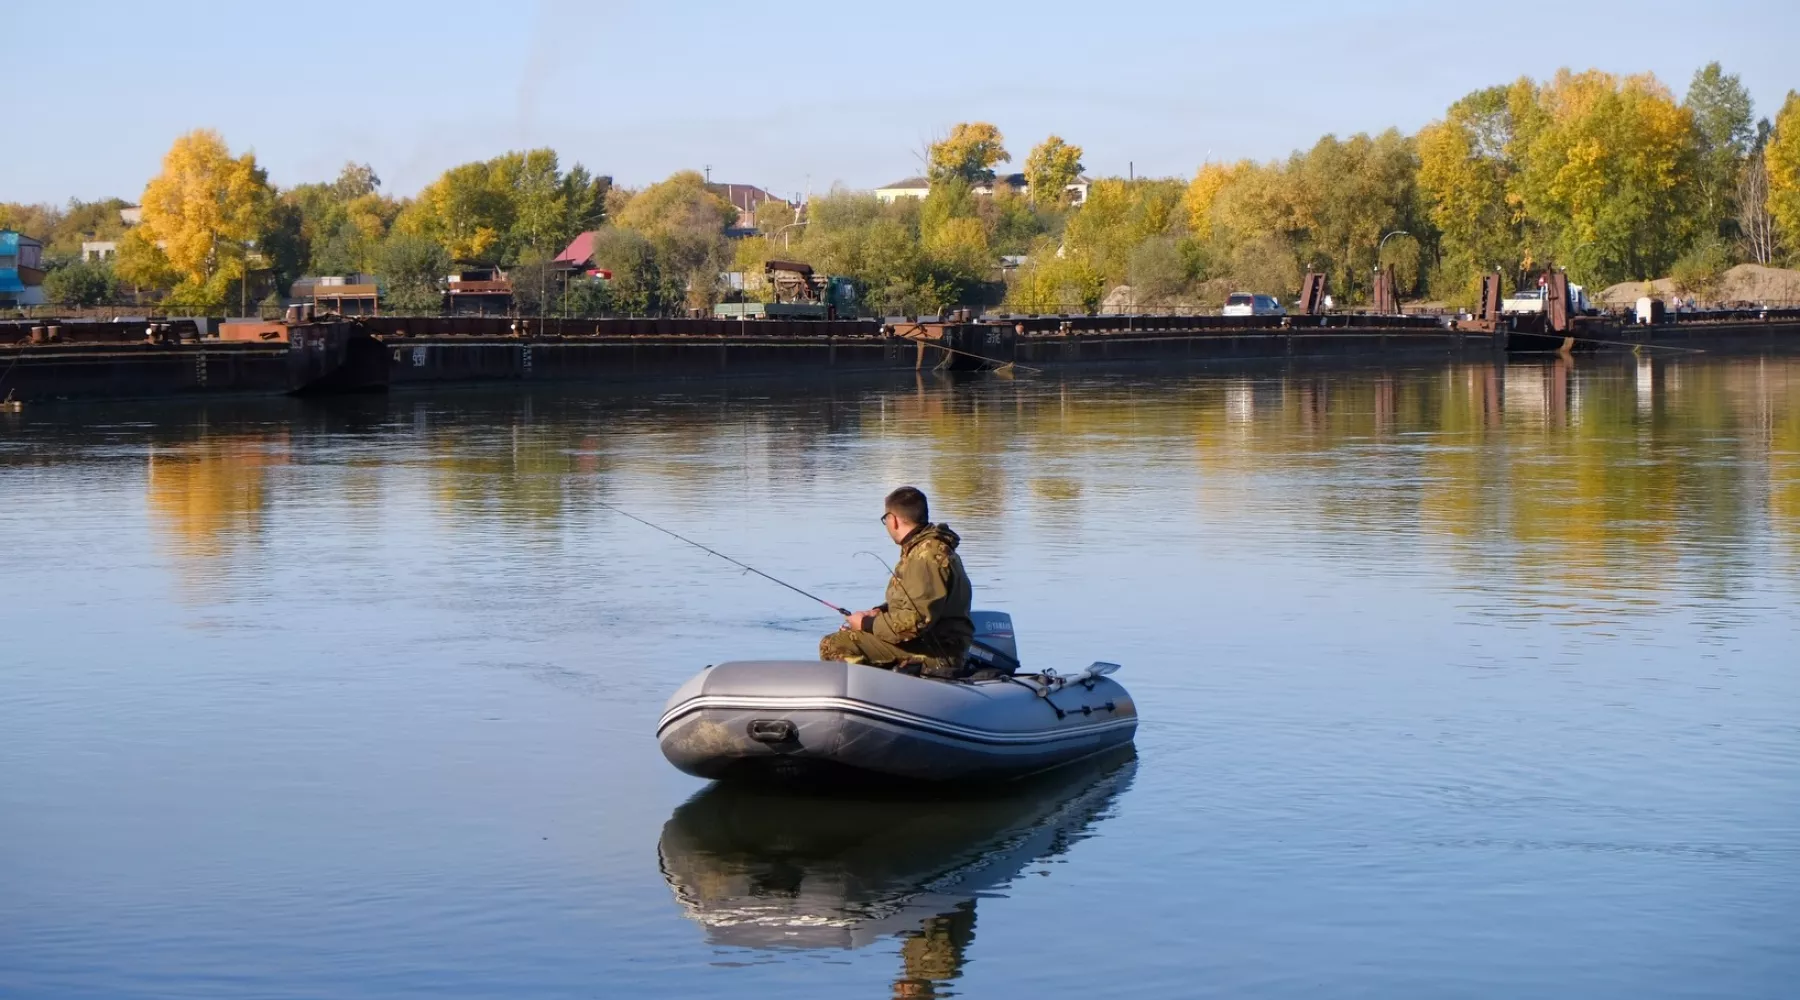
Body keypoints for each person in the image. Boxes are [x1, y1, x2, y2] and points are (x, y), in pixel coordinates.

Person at [819, 486, 974, 679]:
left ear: (893, 520)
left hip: (938, 653)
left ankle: (869, 695)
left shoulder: (925, 557)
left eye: (885, 519)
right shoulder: (926, 549)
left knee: (834, 644)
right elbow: (913, 603)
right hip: (934, 643)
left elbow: (915, 622)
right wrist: (879, 612)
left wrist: (867, 624)